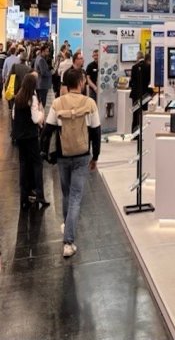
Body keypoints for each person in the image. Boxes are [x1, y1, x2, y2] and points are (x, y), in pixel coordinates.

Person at [41, 68, 101, 258]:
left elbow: (47, 131)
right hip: (82, 155)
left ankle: (67, 226)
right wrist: (95, 156)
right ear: (81, 83)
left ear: (66, 84)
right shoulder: (90, 103)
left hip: (63, 155)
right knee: (76, 196)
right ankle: (68, 242)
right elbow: (96, 132)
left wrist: (45, 152)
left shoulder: (58, 103)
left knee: (67, 193)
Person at [13, 72, 48, 209]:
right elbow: (35, 118)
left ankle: (24, 197)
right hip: (31, 137)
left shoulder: (18, 97)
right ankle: (39, 195)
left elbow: (14, 116)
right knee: (37, 164)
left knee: (23, 164)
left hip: (20, 136)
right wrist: (42, 114)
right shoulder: (32, 98)